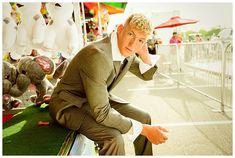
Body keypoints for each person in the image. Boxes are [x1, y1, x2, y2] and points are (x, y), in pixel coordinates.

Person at [49, 13, 168, 155]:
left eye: (140, 40)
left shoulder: (127, 52)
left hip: (94, 99)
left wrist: (144, 53)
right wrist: (143, 130)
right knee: (113, 138)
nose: (132, 44)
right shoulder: (97, 55)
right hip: (69, 105)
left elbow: (147, 75)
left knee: (144, 117)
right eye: (131, 34)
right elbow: (102, 114)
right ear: (120, 29)